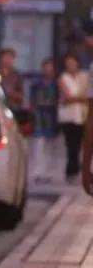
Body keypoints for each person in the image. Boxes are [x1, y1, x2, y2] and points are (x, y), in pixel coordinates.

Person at [58, 54, 89, 184]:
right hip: (68, 117)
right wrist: (81, 98)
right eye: (68, 63)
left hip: (83, 116)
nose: (71, 65)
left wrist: (78, 98)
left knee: (84, 146)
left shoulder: (84, 77)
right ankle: (72, 172)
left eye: (73, 62)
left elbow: (89, 95)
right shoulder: (62, 78)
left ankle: (84, 172)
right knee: (72, 146)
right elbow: (67, 97)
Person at [29, 58, 60, 183]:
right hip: (39, 117)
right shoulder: (36, 84)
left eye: (51, 68)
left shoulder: (57, 84)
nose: (48, 70)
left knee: (50, 146)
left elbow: (59, 99)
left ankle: (49, 172)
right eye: (46, 67)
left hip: (52, 117)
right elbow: (31, 100)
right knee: (38, 145)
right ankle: (38, 172)